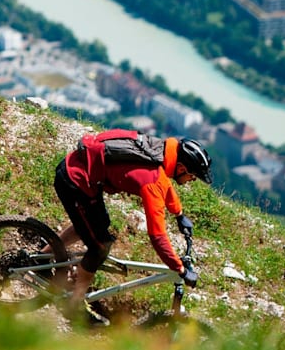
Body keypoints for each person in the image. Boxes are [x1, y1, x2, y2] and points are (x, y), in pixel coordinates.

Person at [53, 130, 211, 320]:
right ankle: (74, 305)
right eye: (192, 176)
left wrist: (179, 214)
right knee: (100, 247)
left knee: (97, 225)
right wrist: (180, 269)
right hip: (75, 181)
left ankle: (45, 255)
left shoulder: (157, 152)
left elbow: (166, 188)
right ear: (181, 168)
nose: (191, 181)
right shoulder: (153, 182)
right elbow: (157, 237)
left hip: (78, 172)